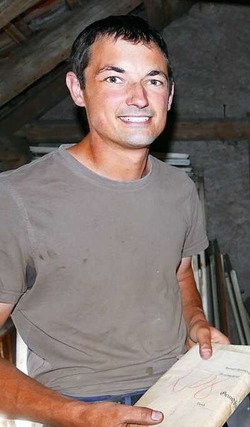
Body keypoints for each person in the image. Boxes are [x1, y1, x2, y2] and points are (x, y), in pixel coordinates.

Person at [0, 15, 229, 426]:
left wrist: (196, 323)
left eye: (154, 81)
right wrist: (78, 415)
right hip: (77, 400)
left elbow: (180, 274)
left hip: (181, 386)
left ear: (170, 95)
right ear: (78, 89)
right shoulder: (16, 199)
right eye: (114, 78)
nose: (139, 98)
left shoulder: (180, 190)